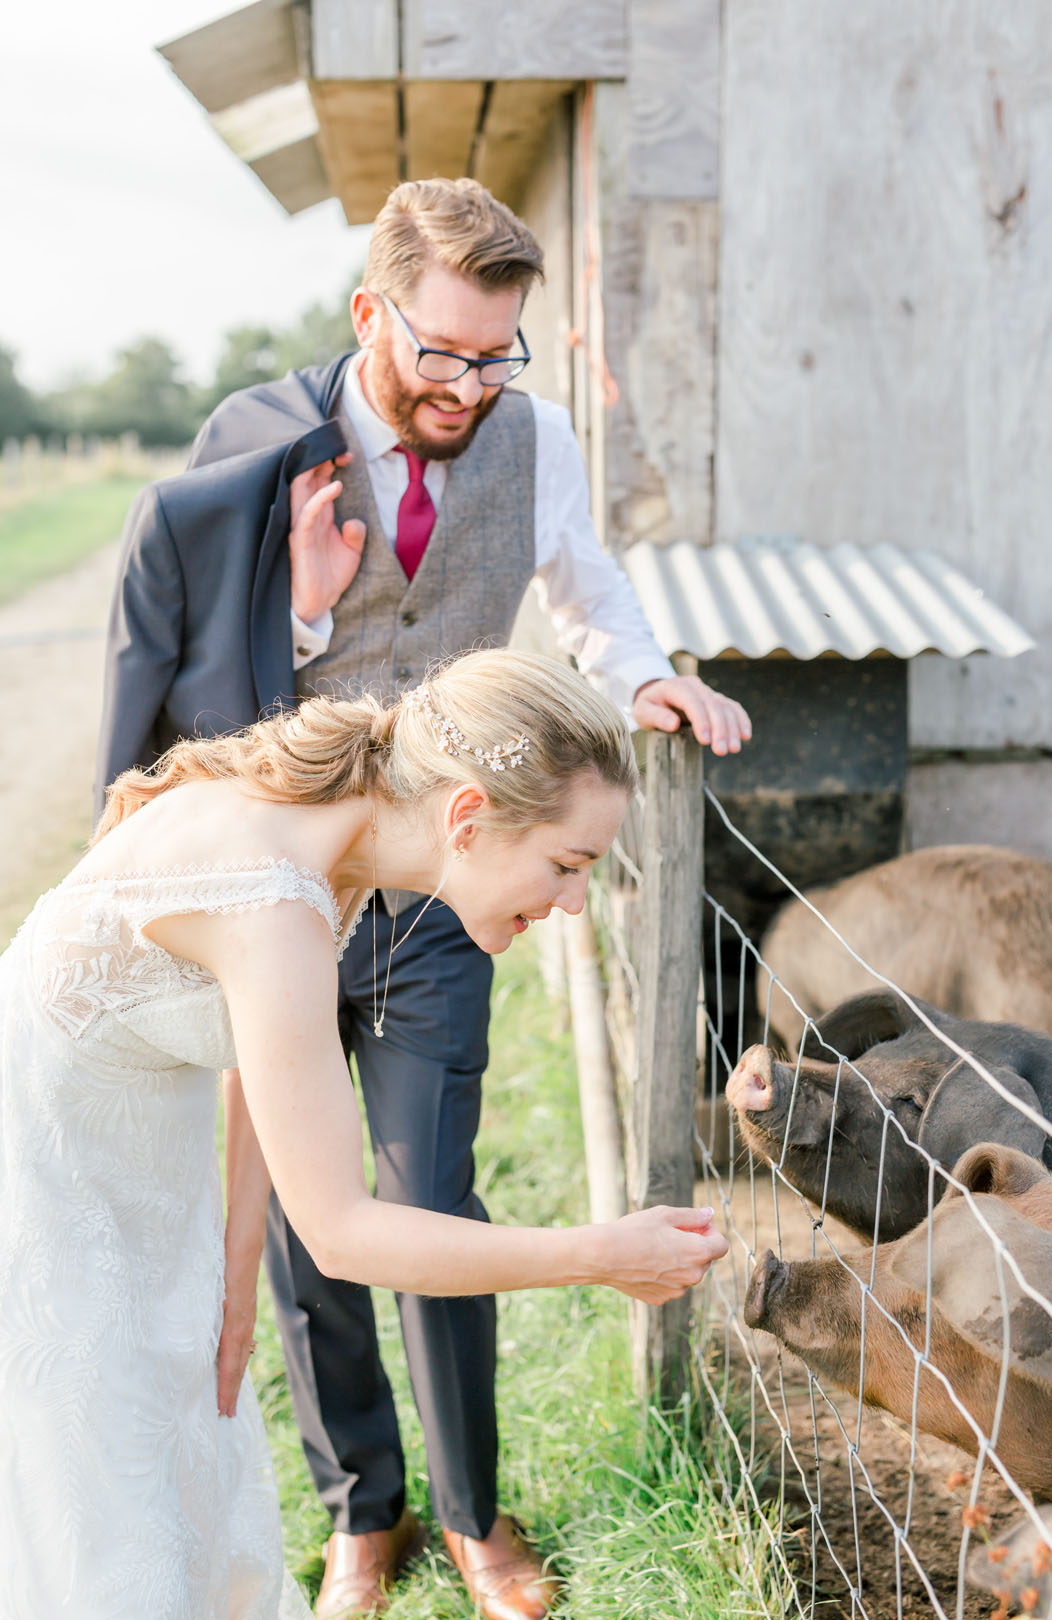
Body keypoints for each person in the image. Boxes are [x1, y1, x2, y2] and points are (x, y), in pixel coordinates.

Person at [95, 177, 751, 1620]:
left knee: (429, 1193)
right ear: (369, 316)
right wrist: (313, 612)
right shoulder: (254, 448)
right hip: (284, 885)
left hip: (450, 895)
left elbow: (588, 589)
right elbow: (200, 665)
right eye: (442, 352)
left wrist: (641, 677)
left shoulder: (533, 439)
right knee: (302, 1213)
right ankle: (360, 1510)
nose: (469, 383)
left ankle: (470, 1511)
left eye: (496, 354)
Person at [3, 650, 728, 1620]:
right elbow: (343, 1233)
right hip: (49, 1196)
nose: (572, 905)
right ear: (466, 818)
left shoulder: (333, 844)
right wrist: (601, 1256)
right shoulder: (276, 898)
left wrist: (234, 1268)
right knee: (102, 1521)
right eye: (567, 865)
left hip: (134, 1170)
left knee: (180, 1473)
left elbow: (263, 1065)